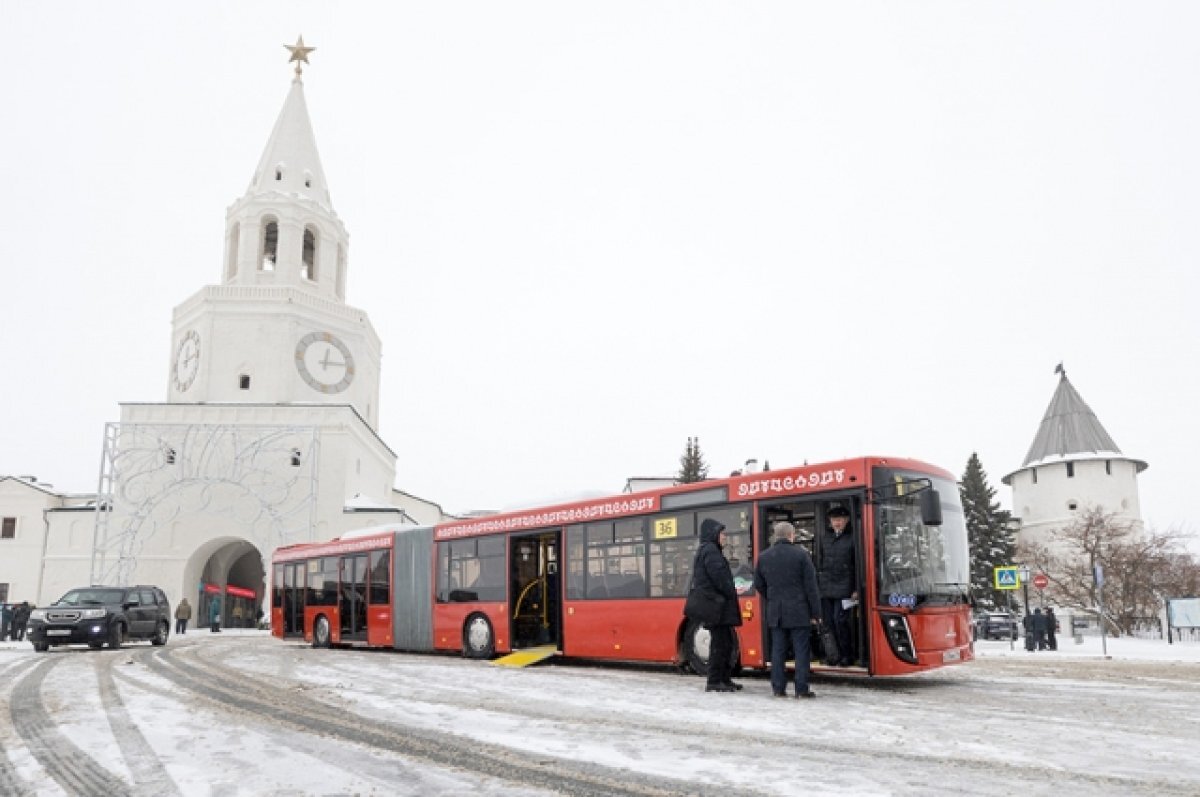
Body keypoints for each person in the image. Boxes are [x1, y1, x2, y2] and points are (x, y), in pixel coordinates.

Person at [753, 521, 822, 698]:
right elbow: (811, 587)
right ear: (792, 535)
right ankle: (801, 688)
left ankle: (778, 688)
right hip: (799, 610)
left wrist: (773, 598)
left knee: (778, 651)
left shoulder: (764, 556)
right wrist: (816, 613)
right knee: (801, 651)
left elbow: (759, 584)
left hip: (776, 611)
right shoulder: (801, 555)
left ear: (776, 536)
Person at [691, 518, 743, 693]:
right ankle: (714, 680)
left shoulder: (709, 550)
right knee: (720, 645)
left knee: (725, 643)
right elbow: (720, 578)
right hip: (717, 607)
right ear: (713, 534)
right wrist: (729, 591)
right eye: (722, 533)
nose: (724, 536)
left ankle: (724, 679)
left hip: (717, 606)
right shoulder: (711, 551)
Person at [817, 505, 857, 667]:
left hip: (845, 588)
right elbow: (819, 562)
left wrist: (856, 588)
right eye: (834, 520)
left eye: (840, 519)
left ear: (847, 520)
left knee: (841, 622)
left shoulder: (853, 538)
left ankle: (847, 655)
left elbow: (857, 564)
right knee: (828, 623)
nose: (837, 523)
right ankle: (833, 655)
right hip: (826, 587)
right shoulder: (825, 538)